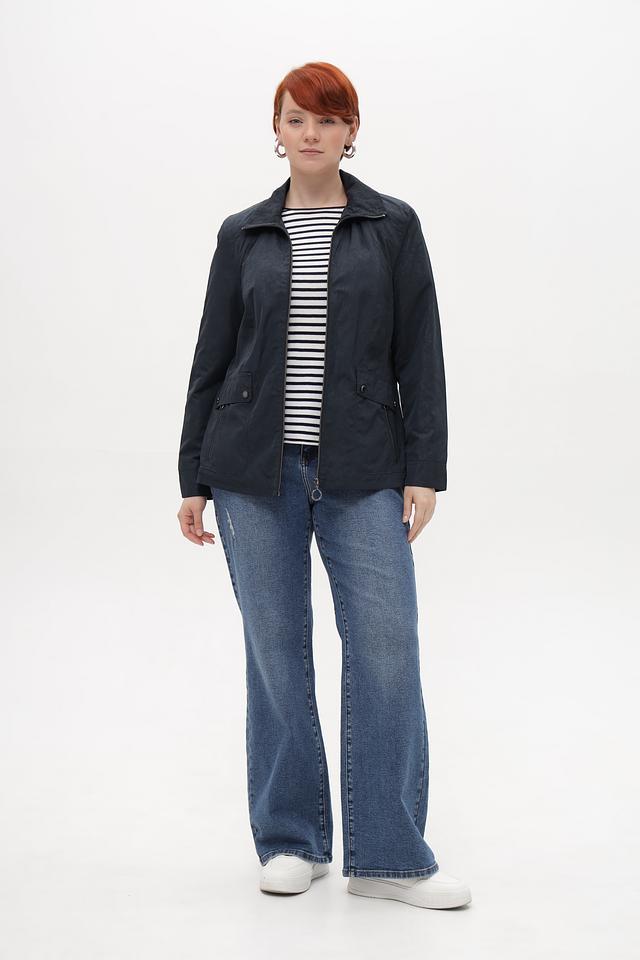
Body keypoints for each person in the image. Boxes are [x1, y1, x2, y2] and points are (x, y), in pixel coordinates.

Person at [177, 61, 471, 910]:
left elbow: (421, 353)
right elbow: (211, 356)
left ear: (351, 132)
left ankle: (389, 857)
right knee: (275, 654)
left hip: (364, 467)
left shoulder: (392, 226)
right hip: (249, 474)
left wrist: (424, 470)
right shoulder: (243, 234)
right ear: (276, 131)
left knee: (386, 649)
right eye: (296, 119)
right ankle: (291, 840)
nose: (312, 133)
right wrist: (193, 474)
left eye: (328, 119)